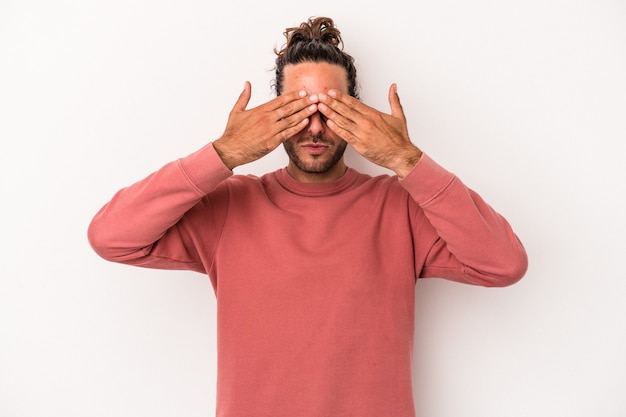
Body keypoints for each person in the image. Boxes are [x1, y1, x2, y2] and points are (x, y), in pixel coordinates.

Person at [88, 16, 528, 417]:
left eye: (331, 110)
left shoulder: (400, 207)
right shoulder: (230, 206)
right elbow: (111, 236)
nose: (314, 128)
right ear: (272, 113)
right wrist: (224, 154)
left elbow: (504, 263)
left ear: (357, 113)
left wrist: (405, 159)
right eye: (297, 110)